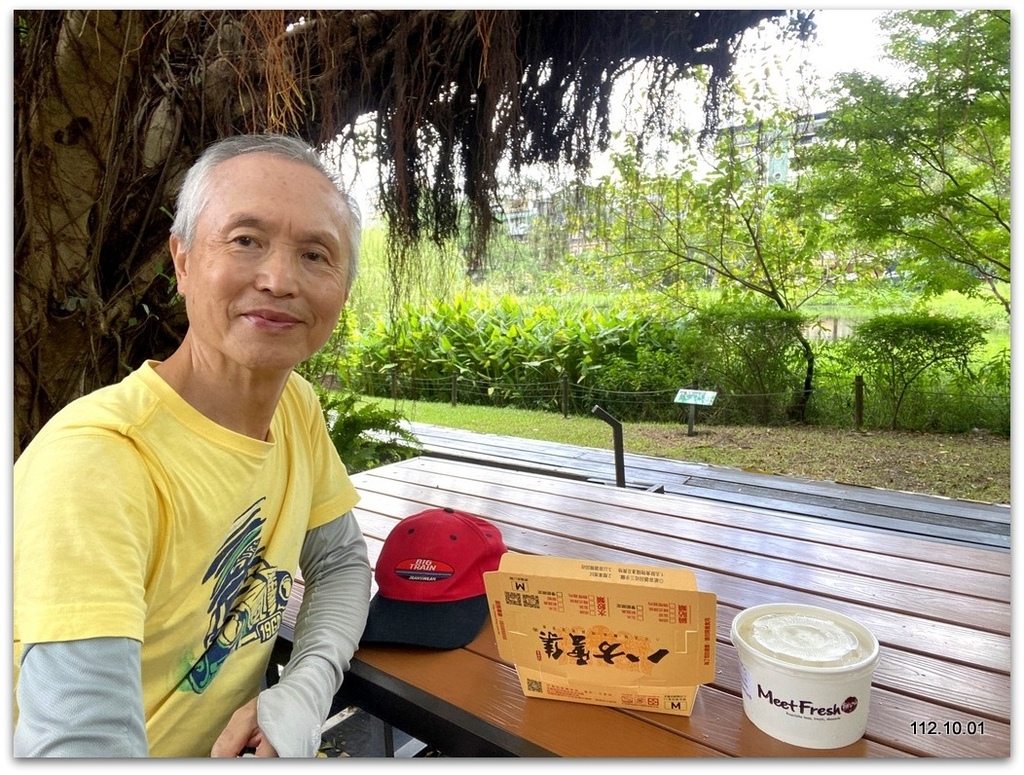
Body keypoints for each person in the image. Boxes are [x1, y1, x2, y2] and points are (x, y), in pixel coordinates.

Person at [13, 134, 372, 757]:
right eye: (245, 241)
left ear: (341, 291)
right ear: (181, 261)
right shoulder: (98, 463)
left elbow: (339, 564)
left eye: (316, 255)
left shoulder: (296, 409)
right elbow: (80, 748)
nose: (280, 279)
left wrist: (303, 689)